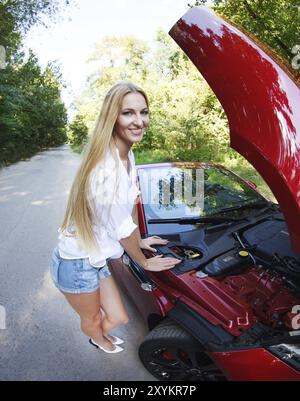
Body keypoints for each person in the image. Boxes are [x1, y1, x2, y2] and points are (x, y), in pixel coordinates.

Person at [50, 81, 181, 353]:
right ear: (113, 117)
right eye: (128, 113)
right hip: (77, 263)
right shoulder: (106, 169)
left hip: (96, 256)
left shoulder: (126, 155)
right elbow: (121, 229)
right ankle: (97, 338)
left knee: (119, 317)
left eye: (143, 112)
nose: (139, 121)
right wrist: (143, 261)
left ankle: (98, 334)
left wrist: (141, 239)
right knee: (93, 318)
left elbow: (129, 208)